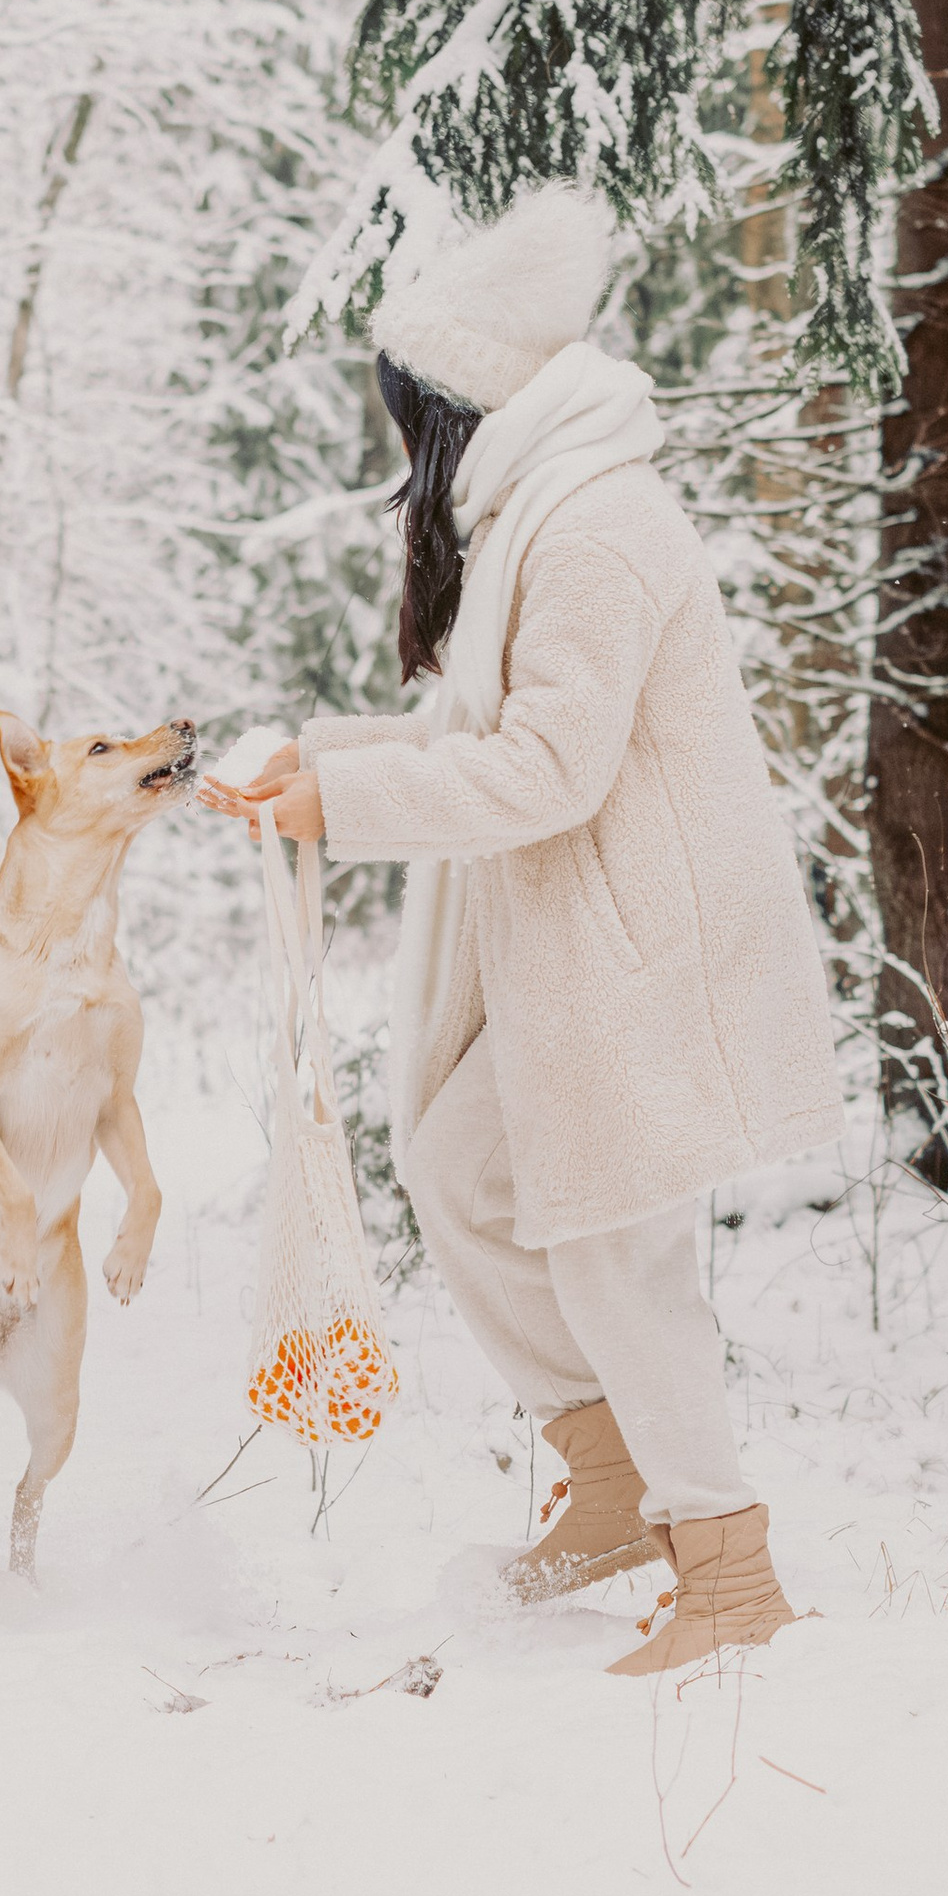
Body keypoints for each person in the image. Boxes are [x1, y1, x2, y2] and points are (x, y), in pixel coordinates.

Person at [210, 187, 840, 1675]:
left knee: (621, 1253)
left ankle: (731, 1570)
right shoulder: (537, 512)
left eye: (405, 421)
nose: (400, 458)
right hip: (585, 950)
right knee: (461, 1164)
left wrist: (345, 804)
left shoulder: (600, 525)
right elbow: (478, 722)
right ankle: (615, 1477)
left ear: (457, 407)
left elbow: (548, 768)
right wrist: (323, 758)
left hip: (639, 951)